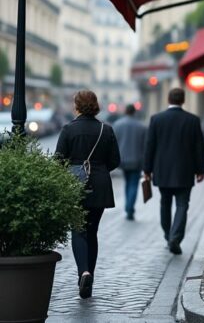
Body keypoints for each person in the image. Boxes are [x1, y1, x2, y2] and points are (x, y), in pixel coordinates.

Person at [55, 90, 121, 299]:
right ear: (95, 105)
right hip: (100, 183)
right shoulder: (106, 129)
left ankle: (83, 272)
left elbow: (58, 160)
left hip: (75, 184)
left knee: (78, 230)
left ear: (76, 106)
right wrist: (98, 170)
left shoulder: (68, 129)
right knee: (92, 231)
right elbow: (115, 161)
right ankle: (89, 277)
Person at [143, 88, 204, 255]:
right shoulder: (193, 120)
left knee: (165, 203)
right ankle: (175, 238)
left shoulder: (156, 119)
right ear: (183, 100)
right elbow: (199, 147)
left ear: (168, 99)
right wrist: (201, 170)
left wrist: (147, 169)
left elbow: (150, 145)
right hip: (185, 170)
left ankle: (168, 235)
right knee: (182, 205)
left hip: (162, 170)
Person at [112, 104, 147, 220]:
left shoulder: (117, 125)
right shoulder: (141, 126)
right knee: (133, 184)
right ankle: (129, 207)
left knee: (128, 183)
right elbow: (145, 146)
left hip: (122, 160)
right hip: (137, 160)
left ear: (125, 112)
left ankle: (128, 206)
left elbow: (113, 143)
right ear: (134, 112)